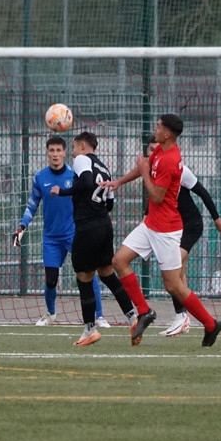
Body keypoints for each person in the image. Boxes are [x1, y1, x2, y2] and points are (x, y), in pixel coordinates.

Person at [109, 114, 221, 347]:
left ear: (168, 134)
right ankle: (144, 312)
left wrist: (144, 171)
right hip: (151, 224)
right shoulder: (161, 150)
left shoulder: (171, 160)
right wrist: (119, 182)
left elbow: (157, 196)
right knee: (119, 261)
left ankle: (211, 324)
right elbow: (145, 167)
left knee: (174, 286)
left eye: (159, 126)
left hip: (166, 231)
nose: (156, 128)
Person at [49, 131, 139, 346]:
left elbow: (86, 181)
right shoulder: (104, 168)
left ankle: (90, 329)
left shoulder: (82, 160)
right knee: (107, 274)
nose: (72, 153)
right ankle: (133, 317)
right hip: (104, 226)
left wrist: (62, 191)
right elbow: (110, 204)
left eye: (73, 147)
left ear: (82, 146)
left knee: (83, 276)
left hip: (87, 227)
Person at [13, 135, 107, 327]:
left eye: (59, 150)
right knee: (51, 280)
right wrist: (22, 226)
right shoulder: (40, 178)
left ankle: (99, 316)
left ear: (65, 153)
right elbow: (32, 205)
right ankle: (50, 314)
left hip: (74, 234)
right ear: (47, 153)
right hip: (51, 238)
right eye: (52, 150)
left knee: (88, 273)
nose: (55, 154)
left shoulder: (75, 175)